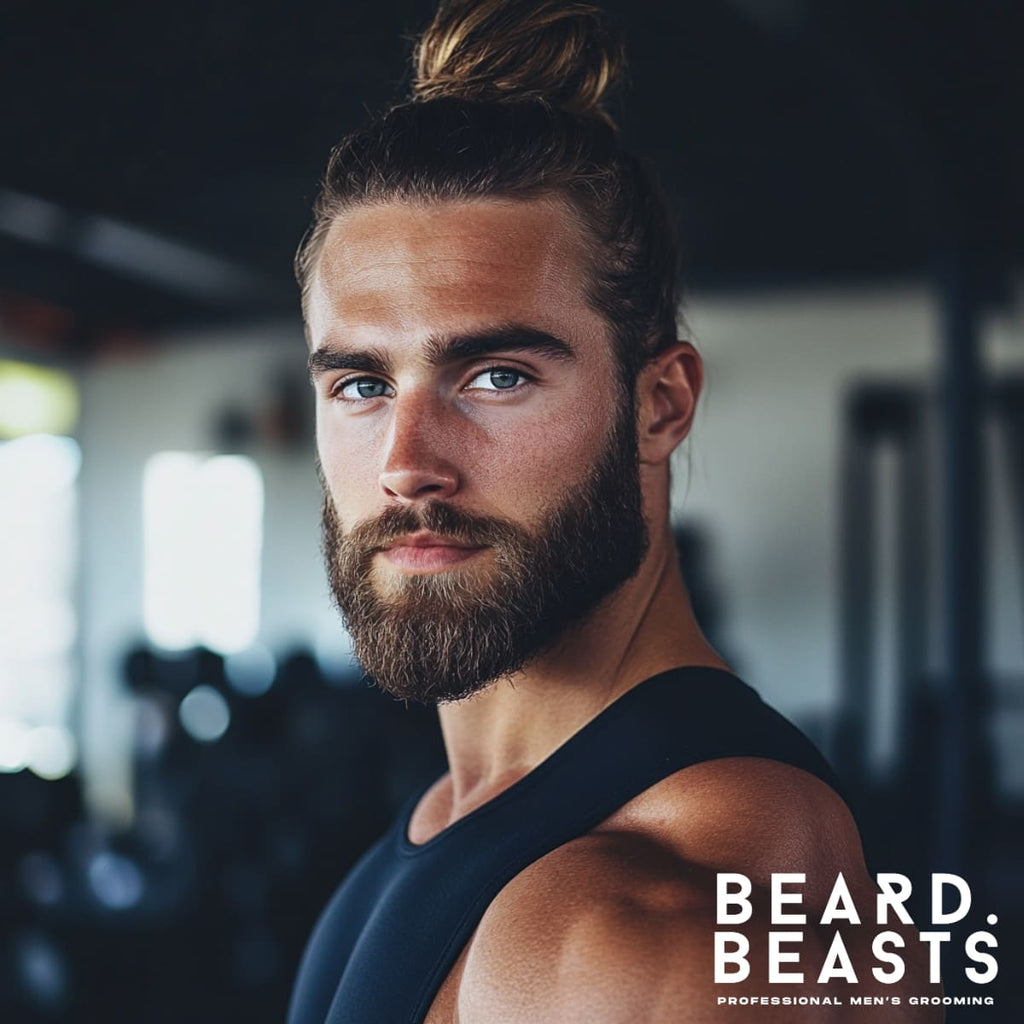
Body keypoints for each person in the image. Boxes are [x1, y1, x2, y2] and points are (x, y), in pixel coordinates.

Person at [288, 1, 941, 1020]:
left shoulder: (643, 932)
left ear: (660, 404)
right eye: (363, 385)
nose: (407, 466)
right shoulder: (453, 818)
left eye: (496, 376)